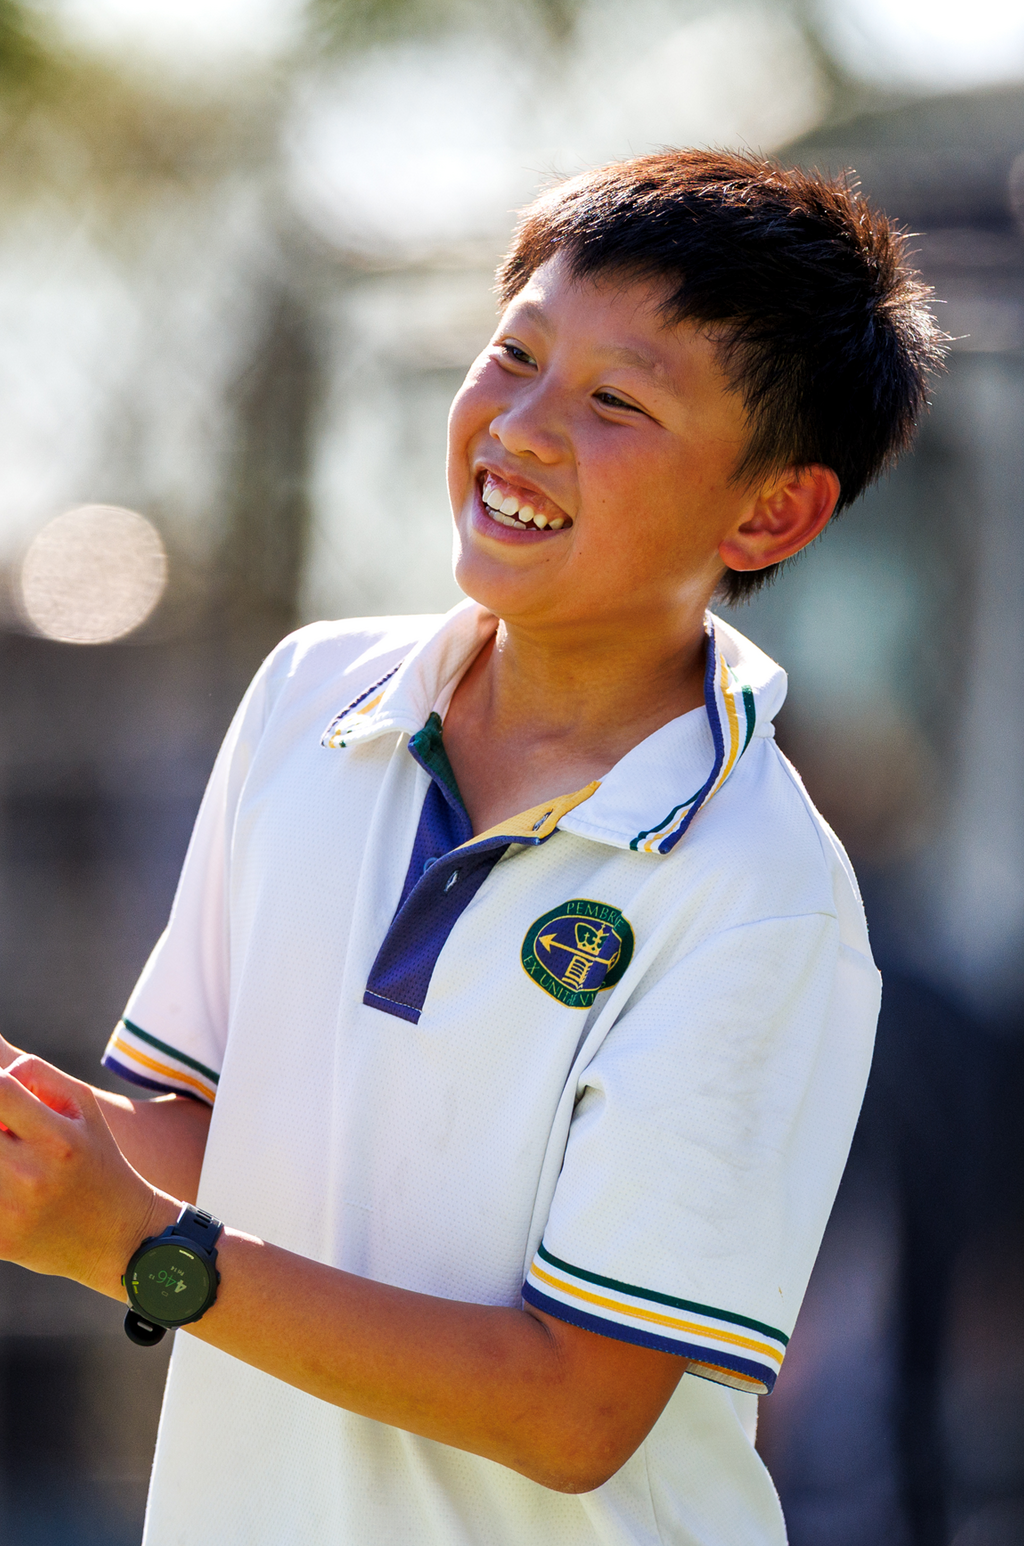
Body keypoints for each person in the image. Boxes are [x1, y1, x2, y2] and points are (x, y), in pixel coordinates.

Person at [0, 150, 943, 1546]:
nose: (524, 428)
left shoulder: (763, 899)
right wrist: (42, 1151)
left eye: (618, 401)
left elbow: (574, 1410)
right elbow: (201, 1136)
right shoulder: (310, 695)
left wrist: (136, 1249)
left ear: (773, 511)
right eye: (514, 354)